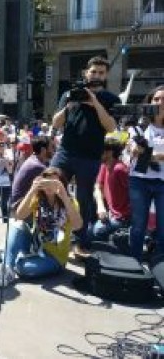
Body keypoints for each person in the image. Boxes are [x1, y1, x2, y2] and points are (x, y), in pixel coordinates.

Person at [51, 56, 119, 256]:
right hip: (65, 153)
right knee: (52, 189)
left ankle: (80, 241)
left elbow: (111, 127)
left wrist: (95, 102)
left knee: (84, 200)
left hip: (90, 157)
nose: (96, 75)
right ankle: (51, 233)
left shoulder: (110, 99)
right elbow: (55, 122)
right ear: (86, 73)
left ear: (106, 76)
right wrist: (69, 104)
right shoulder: (70, 94)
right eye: (93, 72)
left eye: (101, 72)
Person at [0, 167, 82, 288]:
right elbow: (19, 215)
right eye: (47, 182)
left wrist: (64, 196)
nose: (50, 186)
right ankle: (7, 268)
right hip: (35, 245)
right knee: (16, 225)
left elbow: (77, 226)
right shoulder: (38, 199)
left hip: (55, 257)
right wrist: (32, 190)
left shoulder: (71, 202)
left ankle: (7, 254)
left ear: (62, 184)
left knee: (23, 268)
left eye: (54, 183)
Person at [128, 85, 164, 261]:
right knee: (138, 225)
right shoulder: (139, 127)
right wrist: (133, 149)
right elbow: (131, 152)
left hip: (162, 181)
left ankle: (159, 263)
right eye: (156, 99)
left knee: (163, 226)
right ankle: (135, 262)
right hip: (139, 180)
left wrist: (153, 155)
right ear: (150, 102)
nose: (160, 103)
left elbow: (155, 155)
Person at [91, 138, 131, 242]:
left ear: (110, 152)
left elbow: (134, 194)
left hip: (122, 218)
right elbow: (97, 186)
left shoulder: (120, 169)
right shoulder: (104, 165)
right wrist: (101, 206)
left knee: (95, 232)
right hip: (110, 213)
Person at [9, 136, 54, 213]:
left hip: (19, 204)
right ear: (43, 150)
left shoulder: (33, 160)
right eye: (52, 147)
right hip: (20, 207)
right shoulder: (38, 167)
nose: (54, 150)